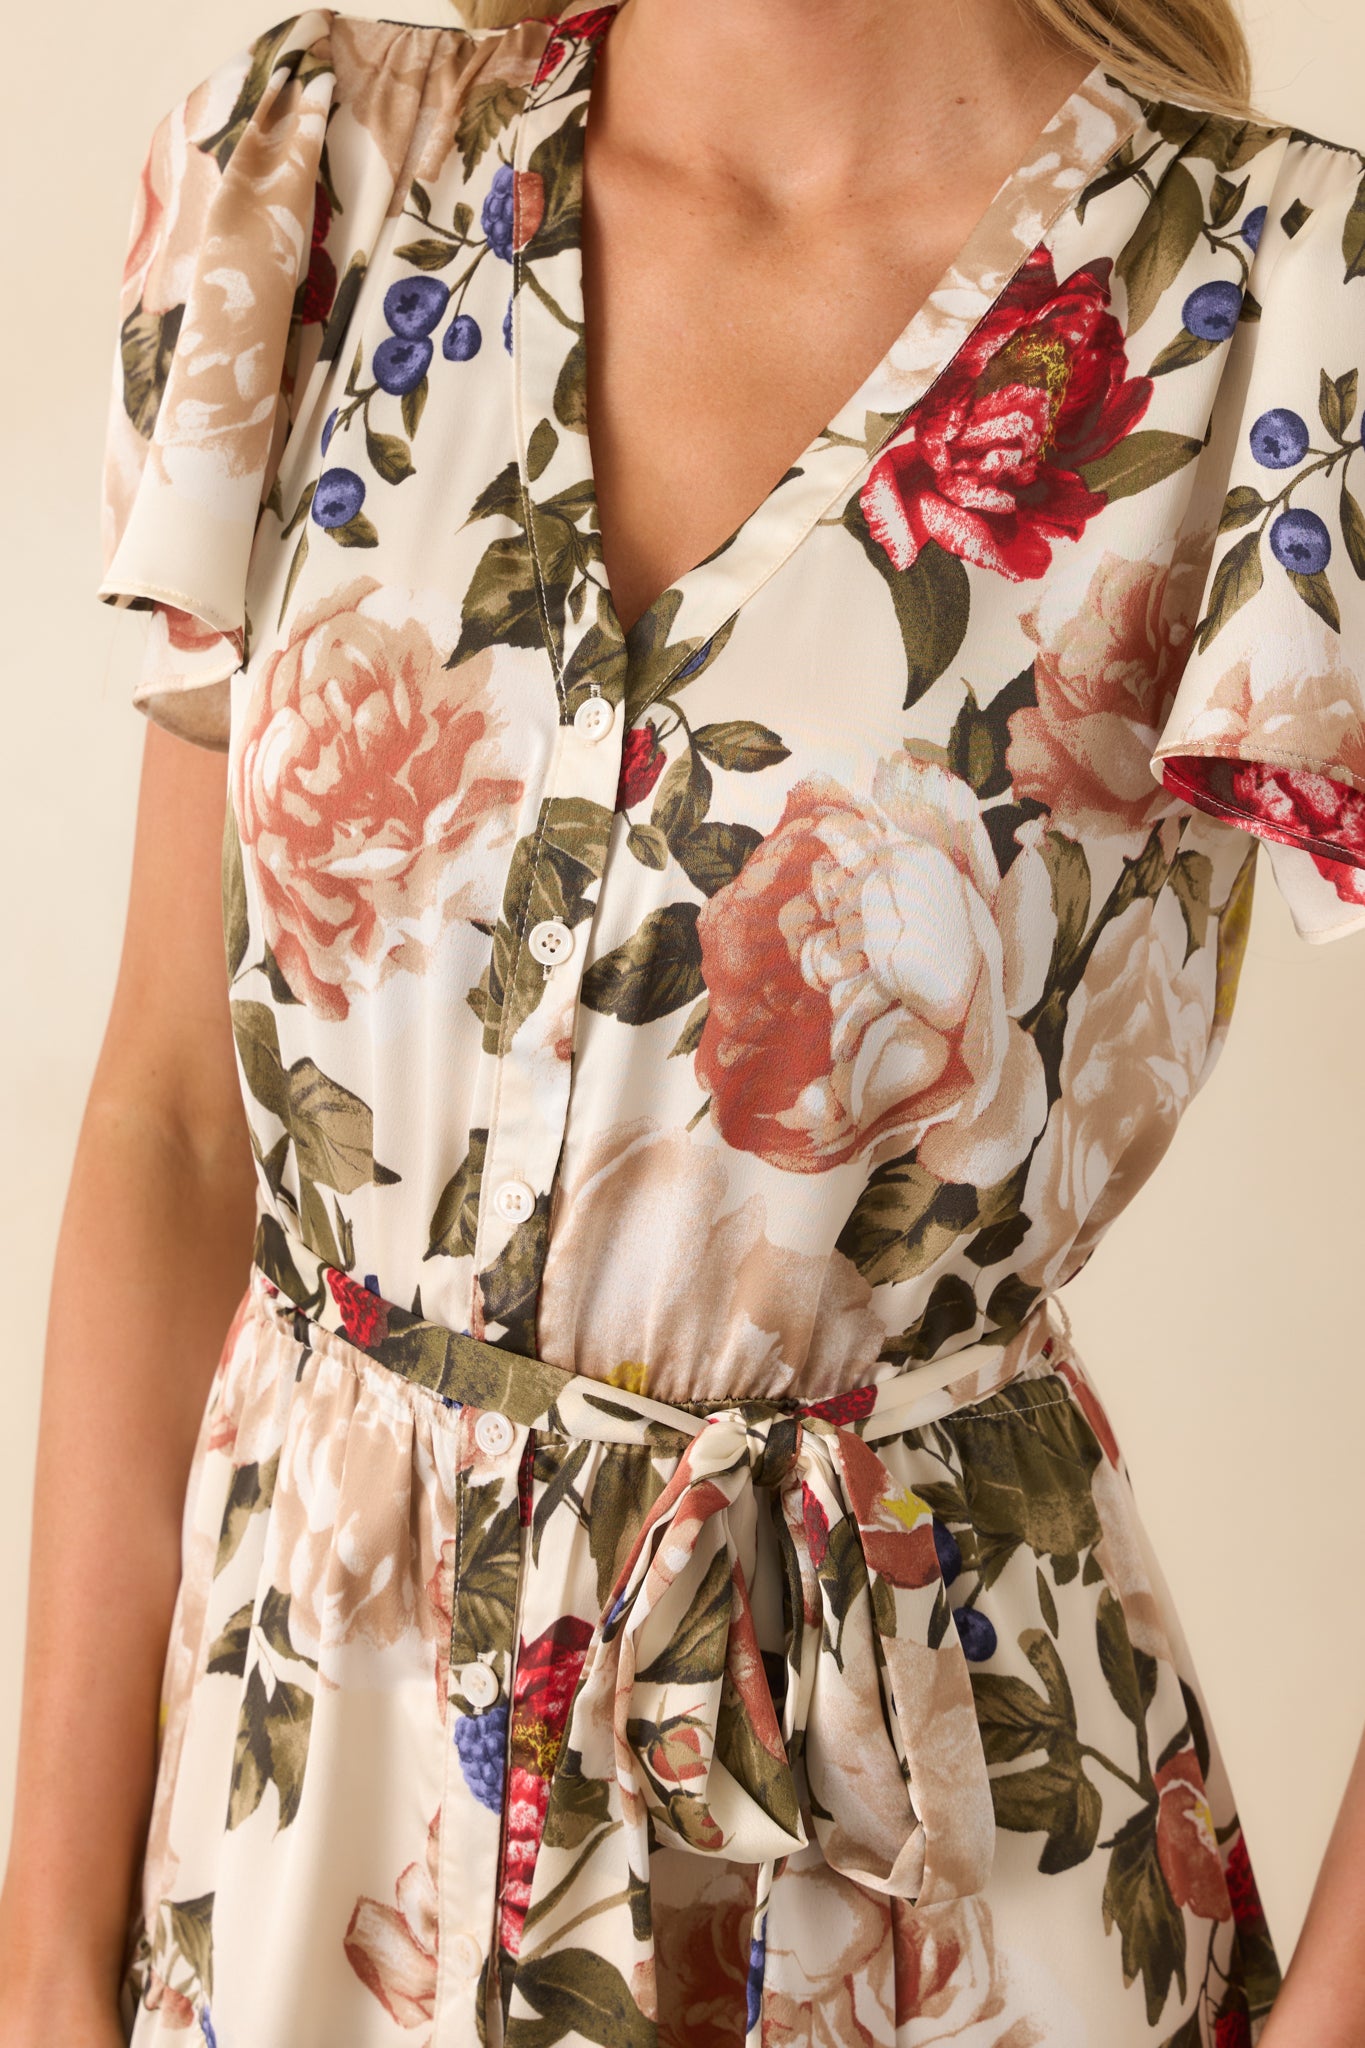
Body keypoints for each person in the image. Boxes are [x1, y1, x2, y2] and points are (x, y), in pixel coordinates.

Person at [3, 0, 1365, 2038]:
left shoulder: (1272, 313)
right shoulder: (322, 180)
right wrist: (41, 1962)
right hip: (304, 1862)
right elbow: (180, 1127)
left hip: (928, 1889)